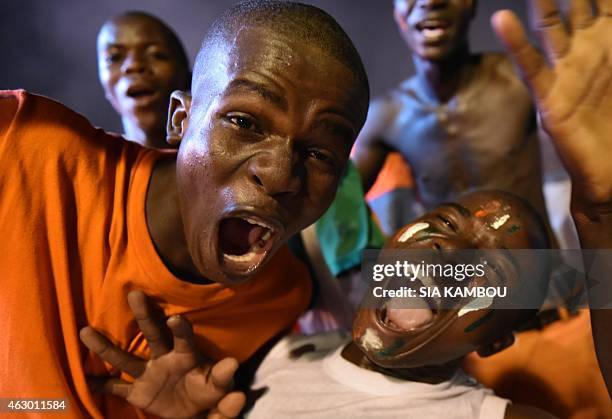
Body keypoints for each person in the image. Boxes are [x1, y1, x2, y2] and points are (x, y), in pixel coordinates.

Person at [0, 1, 370, 417]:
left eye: (320, 153)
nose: (281, 175)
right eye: (245, 122)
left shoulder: (280, 297)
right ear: (180, 119)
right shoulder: (24, 147)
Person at [247, 190, 556, 418]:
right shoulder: (284, 353)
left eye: (493, 272)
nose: (448, 249)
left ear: (493, 342)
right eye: (446, 223)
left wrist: (600, 217)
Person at [352, 0, 550, 232]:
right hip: (452, 267)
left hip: (536, 262)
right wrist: (367, 258)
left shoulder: (520, 78)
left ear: (472, 5)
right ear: (399, 16)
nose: (430, 1)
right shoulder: (387, 116)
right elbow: (338, 204)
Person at [97, 11, 191, 149]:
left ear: (187, 77)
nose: (134, 65)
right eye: (114, 57)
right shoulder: (92, 165)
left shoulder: (217, 165)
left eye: (156, 54)